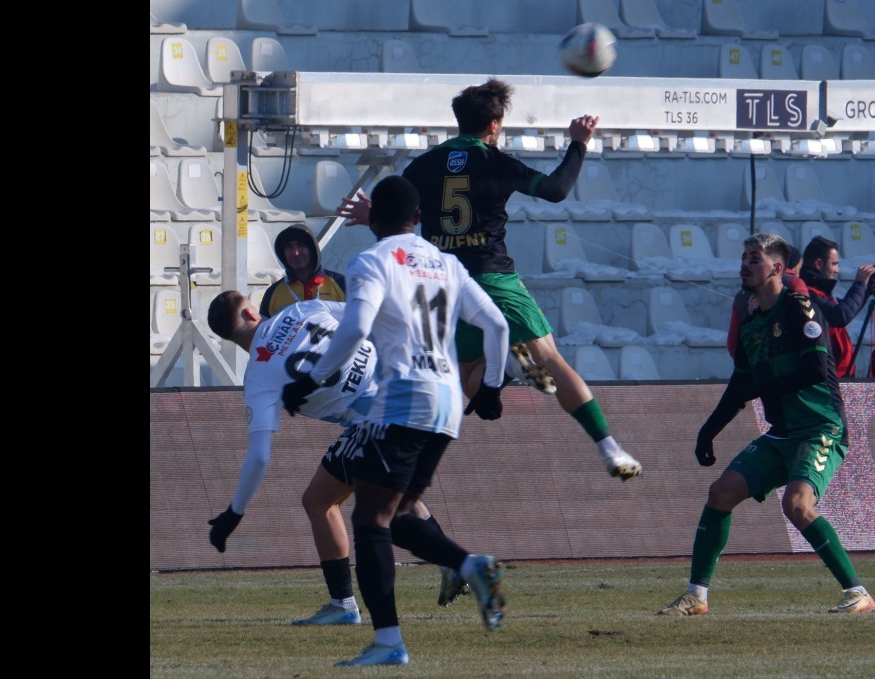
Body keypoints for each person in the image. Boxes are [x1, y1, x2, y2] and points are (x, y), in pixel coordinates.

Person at [336, 78, 642, 483]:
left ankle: (512, 369)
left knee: (468, 380)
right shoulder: (495, 162)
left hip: (445, 286)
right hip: (494, 278)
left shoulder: (421, 167)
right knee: (551, 358)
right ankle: (609, 447)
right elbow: (555, 190)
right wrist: (578, 143)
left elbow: (403, 214)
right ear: (494, 124)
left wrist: (372, 216)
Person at [282, 175, 511, 667]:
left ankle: (388, 642)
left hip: (403, 400)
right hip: (447, 406)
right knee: (400, 515)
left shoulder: (373, 260)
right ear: (420, 218)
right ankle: (470, 565)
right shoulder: (447, 264)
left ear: (374, 221)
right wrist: (490, 385)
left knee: (369, 521)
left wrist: (314, 379)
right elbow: (497, 324)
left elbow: (357, 326)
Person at [203, 289, 471, 628]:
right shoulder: (300, 309)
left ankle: (346, 605)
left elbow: (259, 457)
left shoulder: (257, 378)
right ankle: (452, 565)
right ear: (252, 314)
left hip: (378, 417)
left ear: (227, 338)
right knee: (384, 492)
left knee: (320, 501)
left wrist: (233, 513)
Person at [658, 232, 875, 618]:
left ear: (777, 267)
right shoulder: (752, 321)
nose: (744, 265)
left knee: (796, 505)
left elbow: (813, 370)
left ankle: (858, 592)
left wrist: (760, 387)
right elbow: (740, 384)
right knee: (720, 493)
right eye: (743, 258)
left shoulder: (800, 307)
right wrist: (708, 430)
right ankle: (697, 596)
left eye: (753, 259)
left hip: (819, 426)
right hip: (782, 433)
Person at [797, 236, 875, 379]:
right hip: (828, 378)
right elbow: (840, 316)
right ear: (818, 264)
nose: (837, 270)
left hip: (839, 375)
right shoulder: (808, 294)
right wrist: (859, 285)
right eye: (834, 264)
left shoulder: (822, 293)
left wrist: (867, 289)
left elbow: (846, 309)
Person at [725, 239, 809, 360]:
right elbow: (806, 328)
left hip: (753, 370)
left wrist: (749, 366)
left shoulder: (741, 296)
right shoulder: (795, 284)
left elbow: (733, 344)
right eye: (799, 269)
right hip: (788, 369)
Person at [257, 223, 347, 319]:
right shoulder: (272, 293)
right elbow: (264, 331)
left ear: (312, 249)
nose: (295, 253)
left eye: (301, 245)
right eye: (289, 247)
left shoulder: (341, 283)